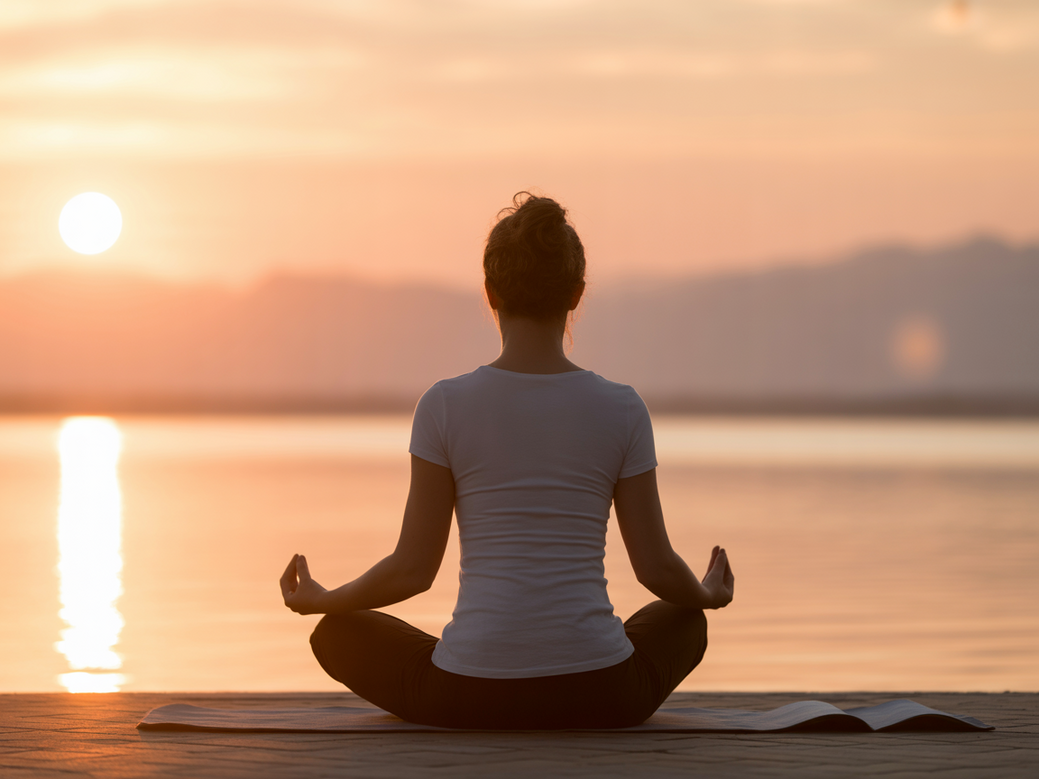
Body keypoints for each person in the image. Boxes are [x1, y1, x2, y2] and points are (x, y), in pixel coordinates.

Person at [280, 192, 734, 729]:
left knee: (336, 632)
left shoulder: (443, 405)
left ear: (491, 292)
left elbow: (412, 570)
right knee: (685, 618)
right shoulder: (623, 408)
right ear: (576, 294)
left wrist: (326, 599)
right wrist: (707, 594)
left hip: (467, 696)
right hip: (604, 694)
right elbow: (656, 569)